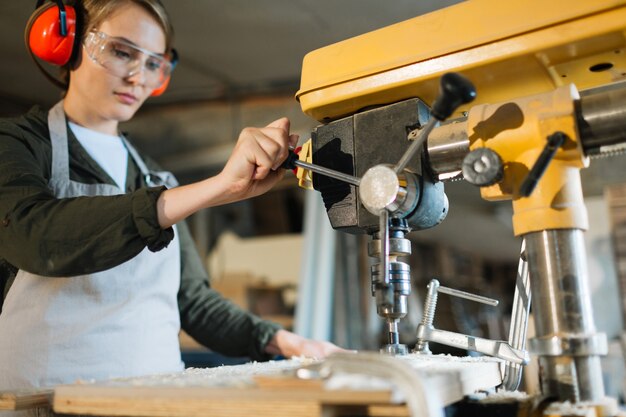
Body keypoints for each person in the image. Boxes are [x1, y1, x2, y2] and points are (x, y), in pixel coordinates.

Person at [0, 0, 342, 397]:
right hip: (43, 400)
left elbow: (193, 301)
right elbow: (37, 236)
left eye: (152, 64)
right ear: (66, 42)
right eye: (121, 51)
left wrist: (290, 344)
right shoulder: (21, 144)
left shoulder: (156, 177)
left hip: (152, 397)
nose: (137, 77)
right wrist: (218, 187)